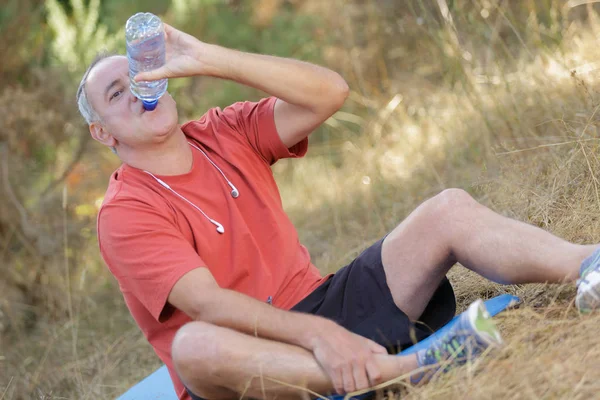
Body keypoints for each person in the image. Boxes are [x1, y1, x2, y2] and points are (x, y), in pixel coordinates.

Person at [77, 22, 600, 400]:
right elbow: (209, 305)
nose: (139, 91)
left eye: (142, 73)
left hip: (326, 305)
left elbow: (330, 93)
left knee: (447, 210)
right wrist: (318, 337)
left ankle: (588, 264)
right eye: (116, 92)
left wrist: (210, 58)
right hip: (254, 368)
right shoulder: (126, 212)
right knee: (193, 346)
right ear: (102, 132)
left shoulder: (222, 132)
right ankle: (403, 370)